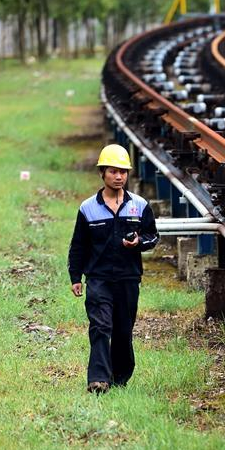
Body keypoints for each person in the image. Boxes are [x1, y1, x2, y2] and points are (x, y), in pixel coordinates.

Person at [68, 144, 158, 393]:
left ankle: (119, 377)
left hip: (128, 279)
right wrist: (75, 277)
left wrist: (139, 242)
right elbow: (78, 245)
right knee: (100, 326)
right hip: (98, 279)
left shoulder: (139, 205)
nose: (119, 177)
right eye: (113, 171)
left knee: (123, 331)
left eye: (123, 172)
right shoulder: (88, 208)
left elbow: (152, 236)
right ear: (102, 173)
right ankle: (98, 379)